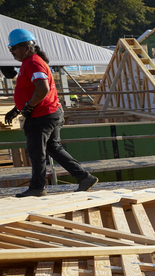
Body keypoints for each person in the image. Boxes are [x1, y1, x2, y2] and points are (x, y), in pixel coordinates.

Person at [4, 29, 96, 197]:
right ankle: (84, 177)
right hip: (49, 112)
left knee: (36, 152)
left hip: (41, 115)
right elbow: (30, 90)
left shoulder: (33, 63)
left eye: (14, 49)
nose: (12, 53)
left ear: (26, 47)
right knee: (53, 148)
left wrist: (29, 107)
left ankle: (37, 187)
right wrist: (17, 109)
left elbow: (42, 89)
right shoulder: (31, 62)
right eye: (10, 49)